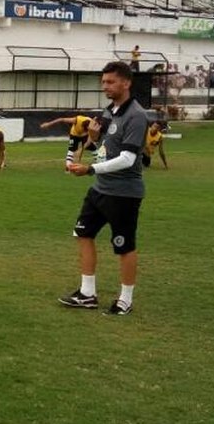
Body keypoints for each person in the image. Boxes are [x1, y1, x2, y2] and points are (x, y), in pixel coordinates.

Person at [58, 61, 148, 316]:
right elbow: (106, 155)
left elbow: (128, 159)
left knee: (124, 246)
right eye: (103, 82)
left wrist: (90, 170)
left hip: (124, 193)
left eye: (110, 82)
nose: (105, 87)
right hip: (100, 190)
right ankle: (87, 294)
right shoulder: (109, 112)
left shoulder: (137, 116)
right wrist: (96, 142)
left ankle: (125, 300)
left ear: (126, 83)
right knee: (83, 234)